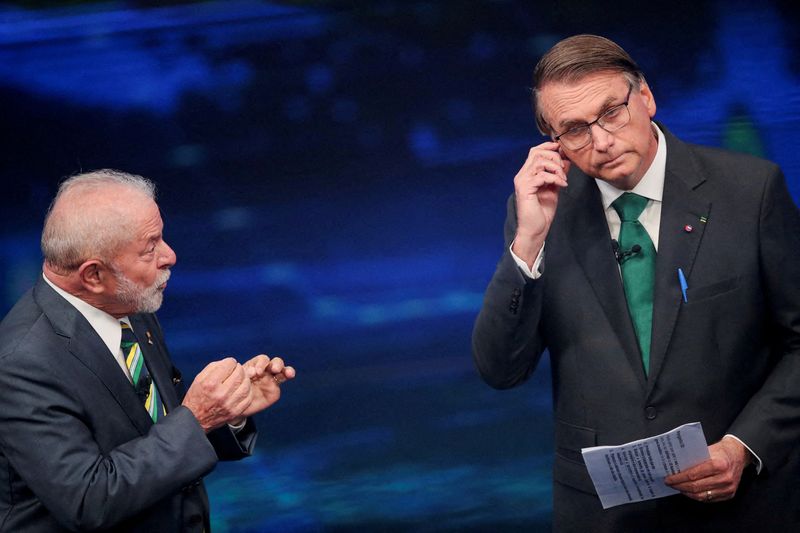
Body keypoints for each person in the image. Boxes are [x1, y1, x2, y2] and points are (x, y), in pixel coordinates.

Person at [472, 34, 800, 531]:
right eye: (575, 130)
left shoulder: (750, 192)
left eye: (611, 112)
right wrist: (528, 242)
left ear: (645, 96)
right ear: (552, 140)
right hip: (604, 516)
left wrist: (744, 446)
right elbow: (500, 369)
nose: (601, 141)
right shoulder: (541, 213)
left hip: (743, 506)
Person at [0, 170, 296, 532]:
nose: (169, 255)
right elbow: (89, 501)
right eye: (150, 247)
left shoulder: (129, 308)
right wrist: (197, 417)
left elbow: (155, 436)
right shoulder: (19, 364)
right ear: (93, 275)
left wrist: (226, 411)